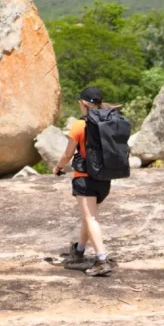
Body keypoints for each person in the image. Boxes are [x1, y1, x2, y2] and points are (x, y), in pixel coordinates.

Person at [53, 87, 115, 277]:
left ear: (84, 103)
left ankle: (101, 260)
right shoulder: (109, 121)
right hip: (104, 179)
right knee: (89, 216)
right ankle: (79, 250)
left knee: (91, 218)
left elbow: (68, 154)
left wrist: (58, 167)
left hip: (85, 179)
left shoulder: (80, 126)